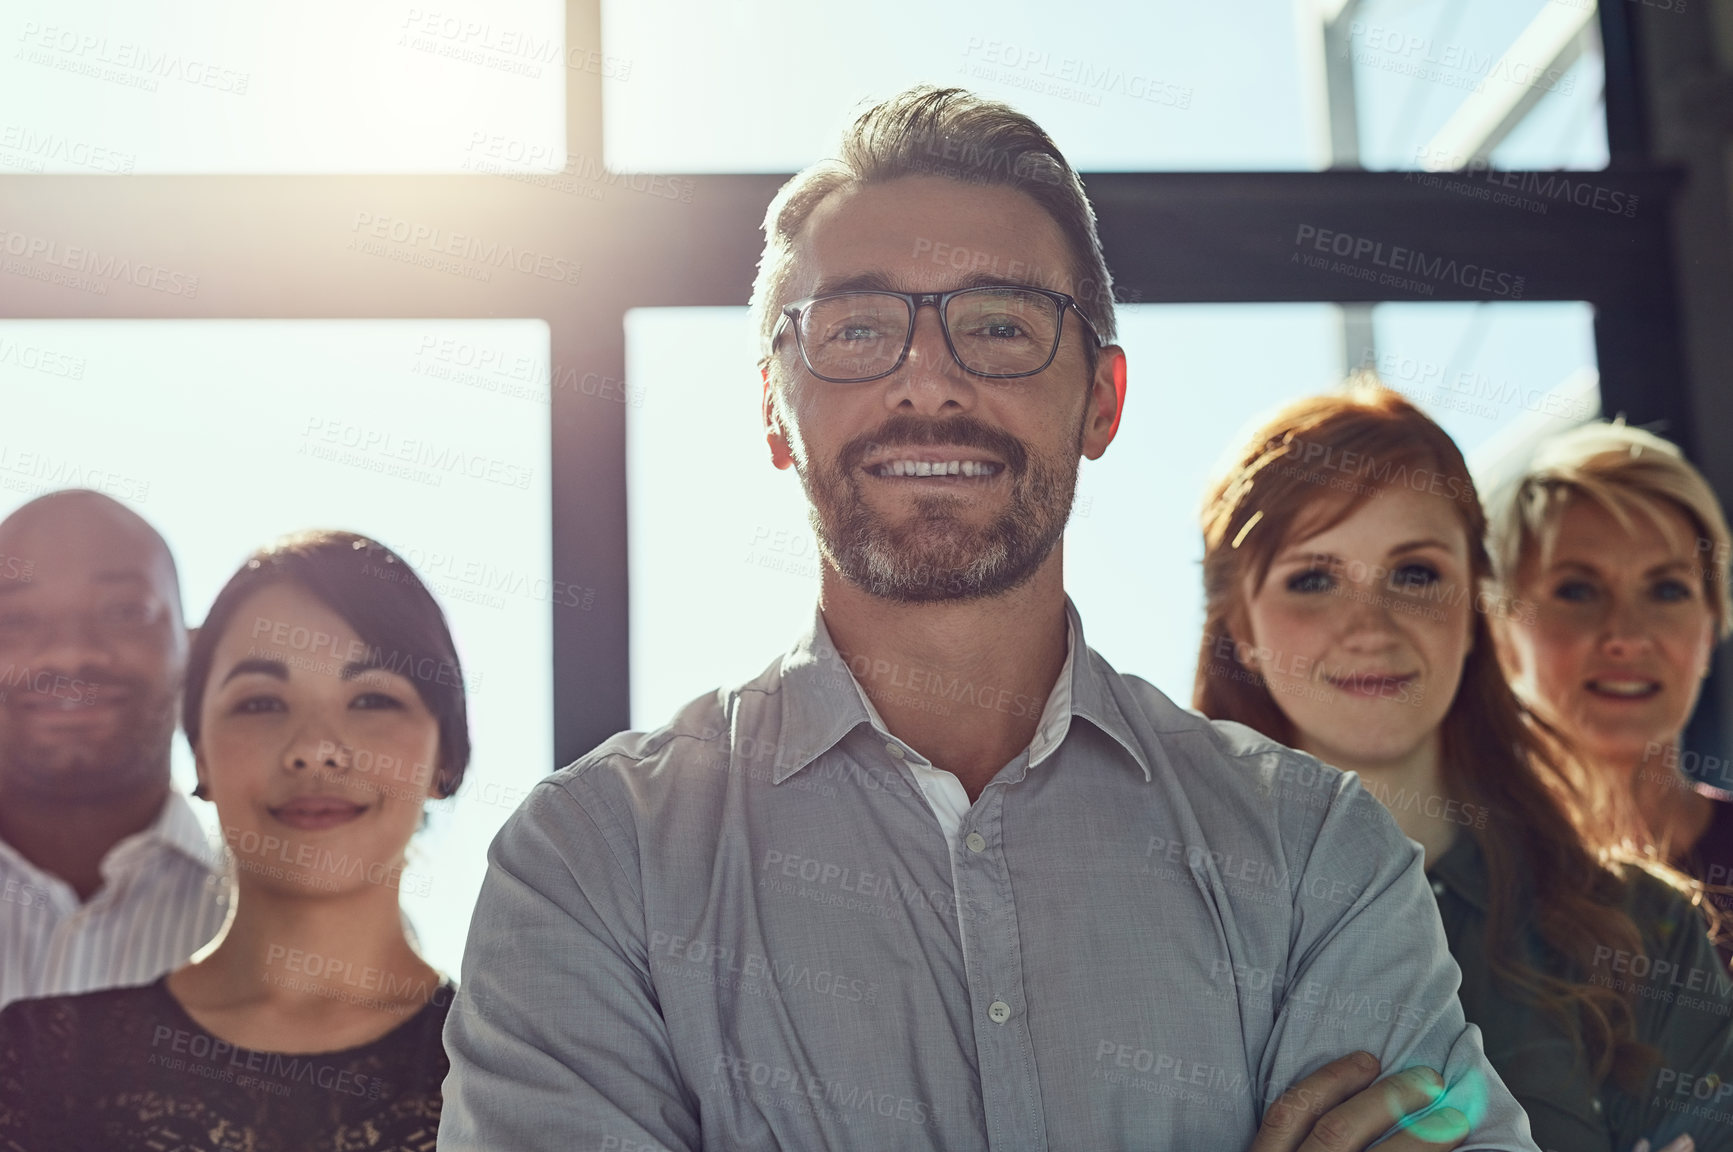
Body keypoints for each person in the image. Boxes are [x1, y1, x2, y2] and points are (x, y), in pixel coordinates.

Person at [441, 86, 1538, 1151]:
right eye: (857, 329)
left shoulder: (1317, 856)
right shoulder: (593, 862)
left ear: (1101, 401)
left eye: (1001, 325)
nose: (928, 382)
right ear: (772, 407)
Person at [1193, 382, 1732, 1151]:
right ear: (1239, 625)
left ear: (1477, 606)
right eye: (1313, 577)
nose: (1369, 627)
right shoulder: (1155, 925)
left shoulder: (1643, 931)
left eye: (1414, 573)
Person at [0, 531, 467, 1150]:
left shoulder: (519, 1068)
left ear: (446, 756)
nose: (314, 750)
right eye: (262, 703)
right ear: (199, 756)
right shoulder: (33, 1062)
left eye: (372, 698)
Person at [1485, 421, 1733, 952]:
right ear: (1499, 631)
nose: (1626, 636)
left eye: (1667, 590)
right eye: (1577, 590)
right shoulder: (1455, 880)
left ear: (1710, 628)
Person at [0, 489, 227, 1010]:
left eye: (126, 611)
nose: (69, 654)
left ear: (192, 651)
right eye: (14, 619)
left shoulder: (294, 918)